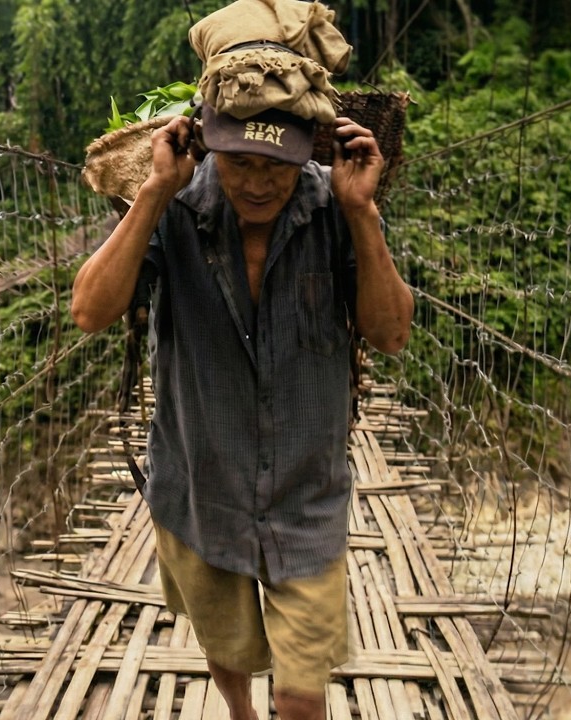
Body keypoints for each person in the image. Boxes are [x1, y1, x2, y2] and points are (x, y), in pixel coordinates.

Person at [70, 102, 413, 720]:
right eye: (239, 162)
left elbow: (389, 335)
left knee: (302, 695)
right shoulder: (175, 206)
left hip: (306, 495)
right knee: (227, 646)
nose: (257, 183)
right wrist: (151, 193)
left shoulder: (335, 207)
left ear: (307, 152)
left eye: (275, 166)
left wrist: (363, 211)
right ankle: (239, 712)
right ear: (208, 149)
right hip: (202, 486)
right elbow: (90, 312)